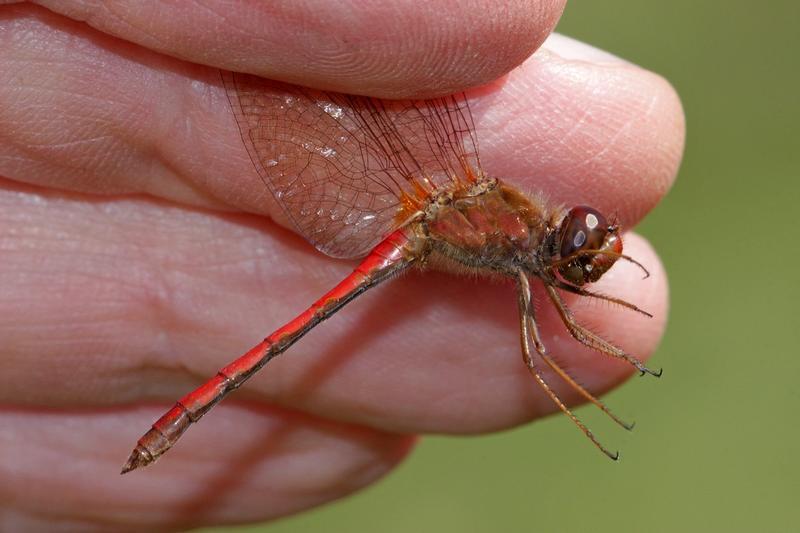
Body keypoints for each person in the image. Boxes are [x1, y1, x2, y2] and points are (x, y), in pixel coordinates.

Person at [0, 1, 684, 530]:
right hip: (417, 225)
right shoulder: (514, 240)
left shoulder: (520, 244)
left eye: (583, 252)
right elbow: (543, 355)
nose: (583, 255)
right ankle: (166, 432)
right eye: (581, 245)